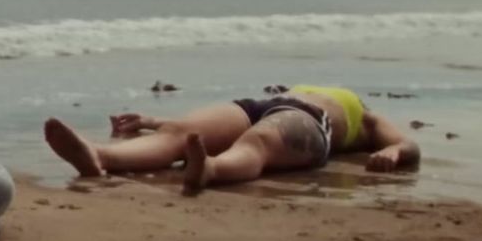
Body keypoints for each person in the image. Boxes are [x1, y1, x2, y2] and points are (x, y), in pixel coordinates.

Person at [43, 85, 419, 192]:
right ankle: (99, 156)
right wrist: (152, 120)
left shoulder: (366, 119)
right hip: (258, 104)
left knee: (257, 145)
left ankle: (211, 169)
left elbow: (407, 145)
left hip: (311, 121)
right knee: (180, 133)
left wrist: (392, 151)